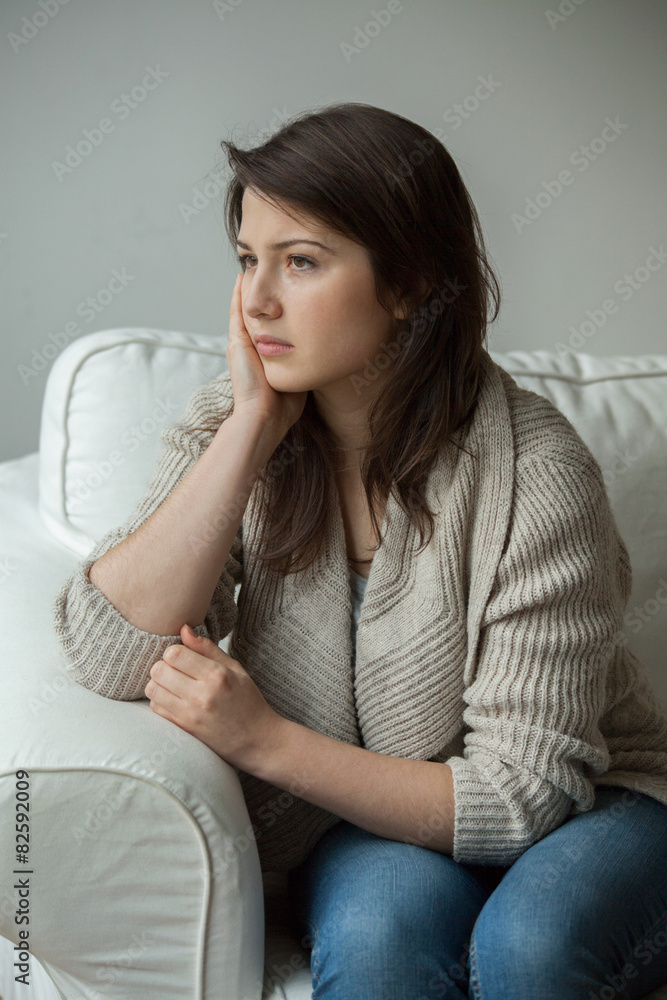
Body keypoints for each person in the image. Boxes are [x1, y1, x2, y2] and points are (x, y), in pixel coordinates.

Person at [53, 102, 667, 999]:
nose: (257, 299)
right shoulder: (235, 430)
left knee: (527, 950)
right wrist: (252, 429)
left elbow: (521, 795)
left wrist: (265, 743)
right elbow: (108, 652)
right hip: (374, 821)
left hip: (598, 805)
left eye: (300, 262)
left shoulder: (537, 470)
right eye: (245, 260)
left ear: (411, 281)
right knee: (378, 945)